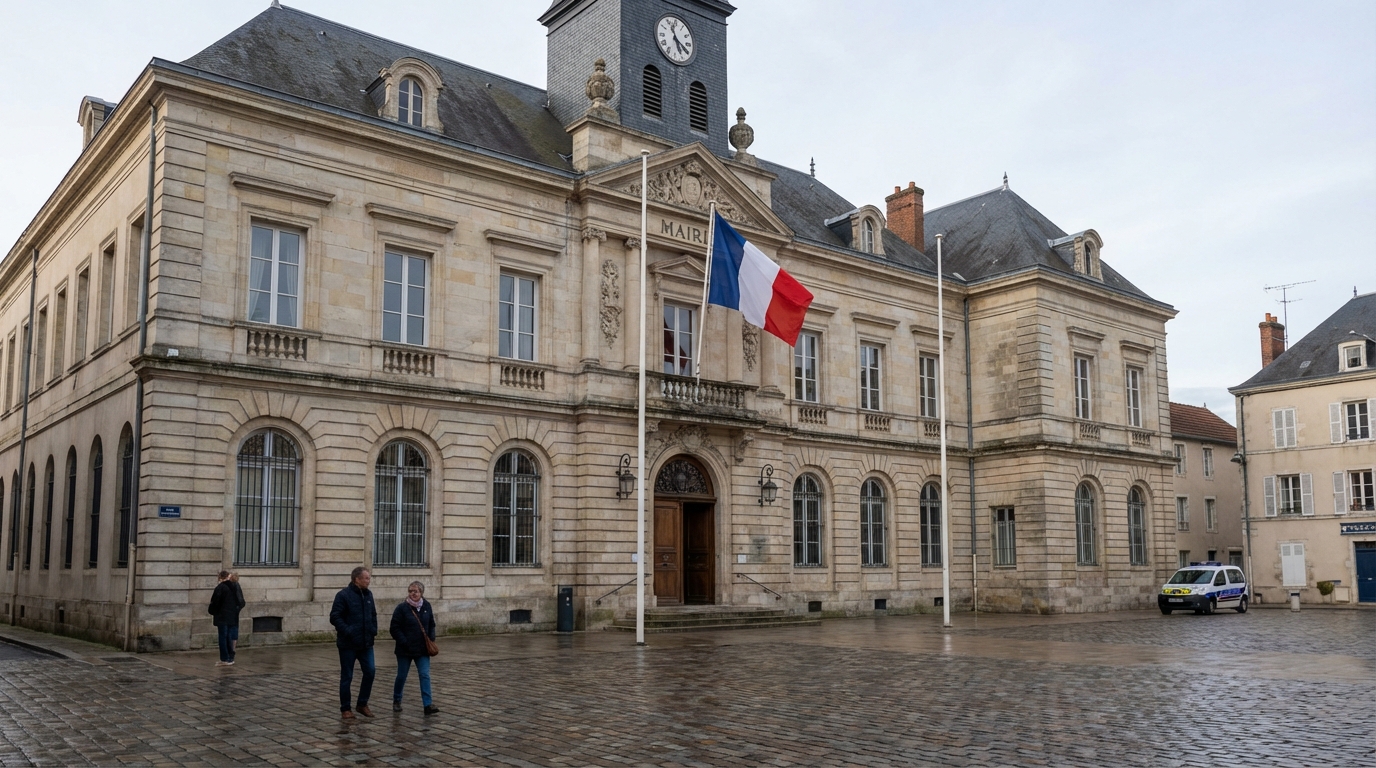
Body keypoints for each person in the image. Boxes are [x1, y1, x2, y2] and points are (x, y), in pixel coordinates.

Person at [330, 566, 378, 719]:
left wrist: (373, 630)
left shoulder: (369, 594)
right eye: (366, 578)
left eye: (369, 578)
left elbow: (373, 614)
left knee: (370, 672)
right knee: (347, 676)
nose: (368, 581)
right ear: (357, 579)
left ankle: (362, 704)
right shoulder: (343, 595)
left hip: (366, 643)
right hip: (348, 644)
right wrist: (348, 630)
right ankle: (345, 708)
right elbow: (335, 617)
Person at [390, 581, 439, 715]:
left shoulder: (426, 606)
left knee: (424, 675)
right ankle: (397, 700)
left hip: (422, 649)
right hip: (405, 650)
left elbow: (431, 624)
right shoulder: (401, 608)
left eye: (415, 591)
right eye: (410, 591)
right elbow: (394, 628)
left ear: (421, 593)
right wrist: (404, 641)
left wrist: (431, 638)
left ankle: (427, 704)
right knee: (401, 676)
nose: (413, 593)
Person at [208, 570, 244, 666]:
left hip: (222, 616)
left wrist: (212, 611)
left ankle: (225, 658)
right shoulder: (234, 586)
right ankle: (230, 658)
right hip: (232, 616)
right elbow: (240, 602)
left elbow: (214, 603)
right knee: (229, 637)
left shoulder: (221, 588)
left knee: (223, 637)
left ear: (220, 578)